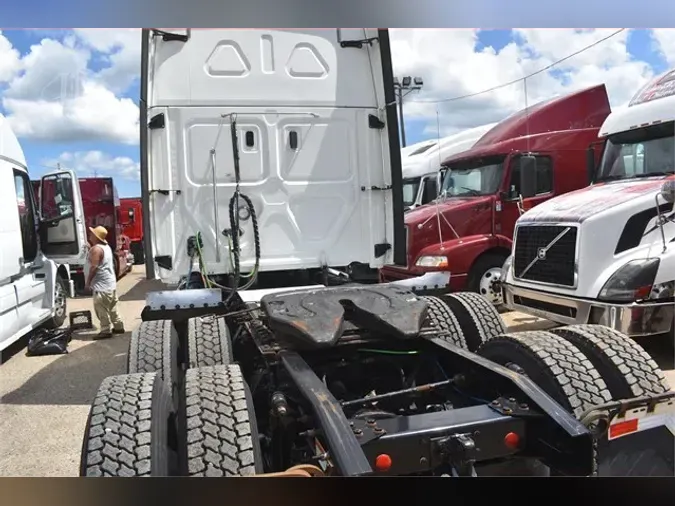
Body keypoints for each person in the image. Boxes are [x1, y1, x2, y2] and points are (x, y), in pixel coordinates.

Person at [85, 225, 125, 339]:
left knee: (101, 309)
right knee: (112, 307)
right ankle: (118, 326)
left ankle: (105, 330)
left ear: (96, 237)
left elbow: (94, 267)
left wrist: (88, 282)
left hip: (101, 286)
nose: (90, 235)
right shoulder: (105, 247)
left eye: (92, 234)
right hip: (109, 284)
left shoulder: (96, 249)